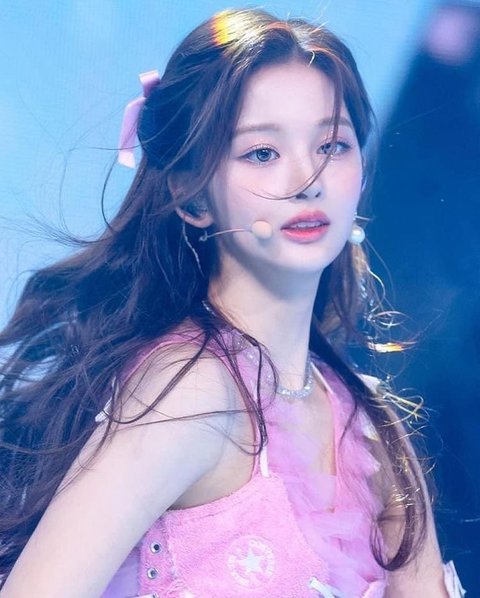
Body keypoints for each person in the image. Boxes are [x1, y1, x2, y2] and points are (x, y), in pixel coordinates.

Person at [0, 7, 466, 597]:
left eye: (332, 145)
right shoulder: (193, 392)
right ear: (192, 198)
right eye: (262, 153)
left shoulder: (370, 427)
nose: (308, 179)